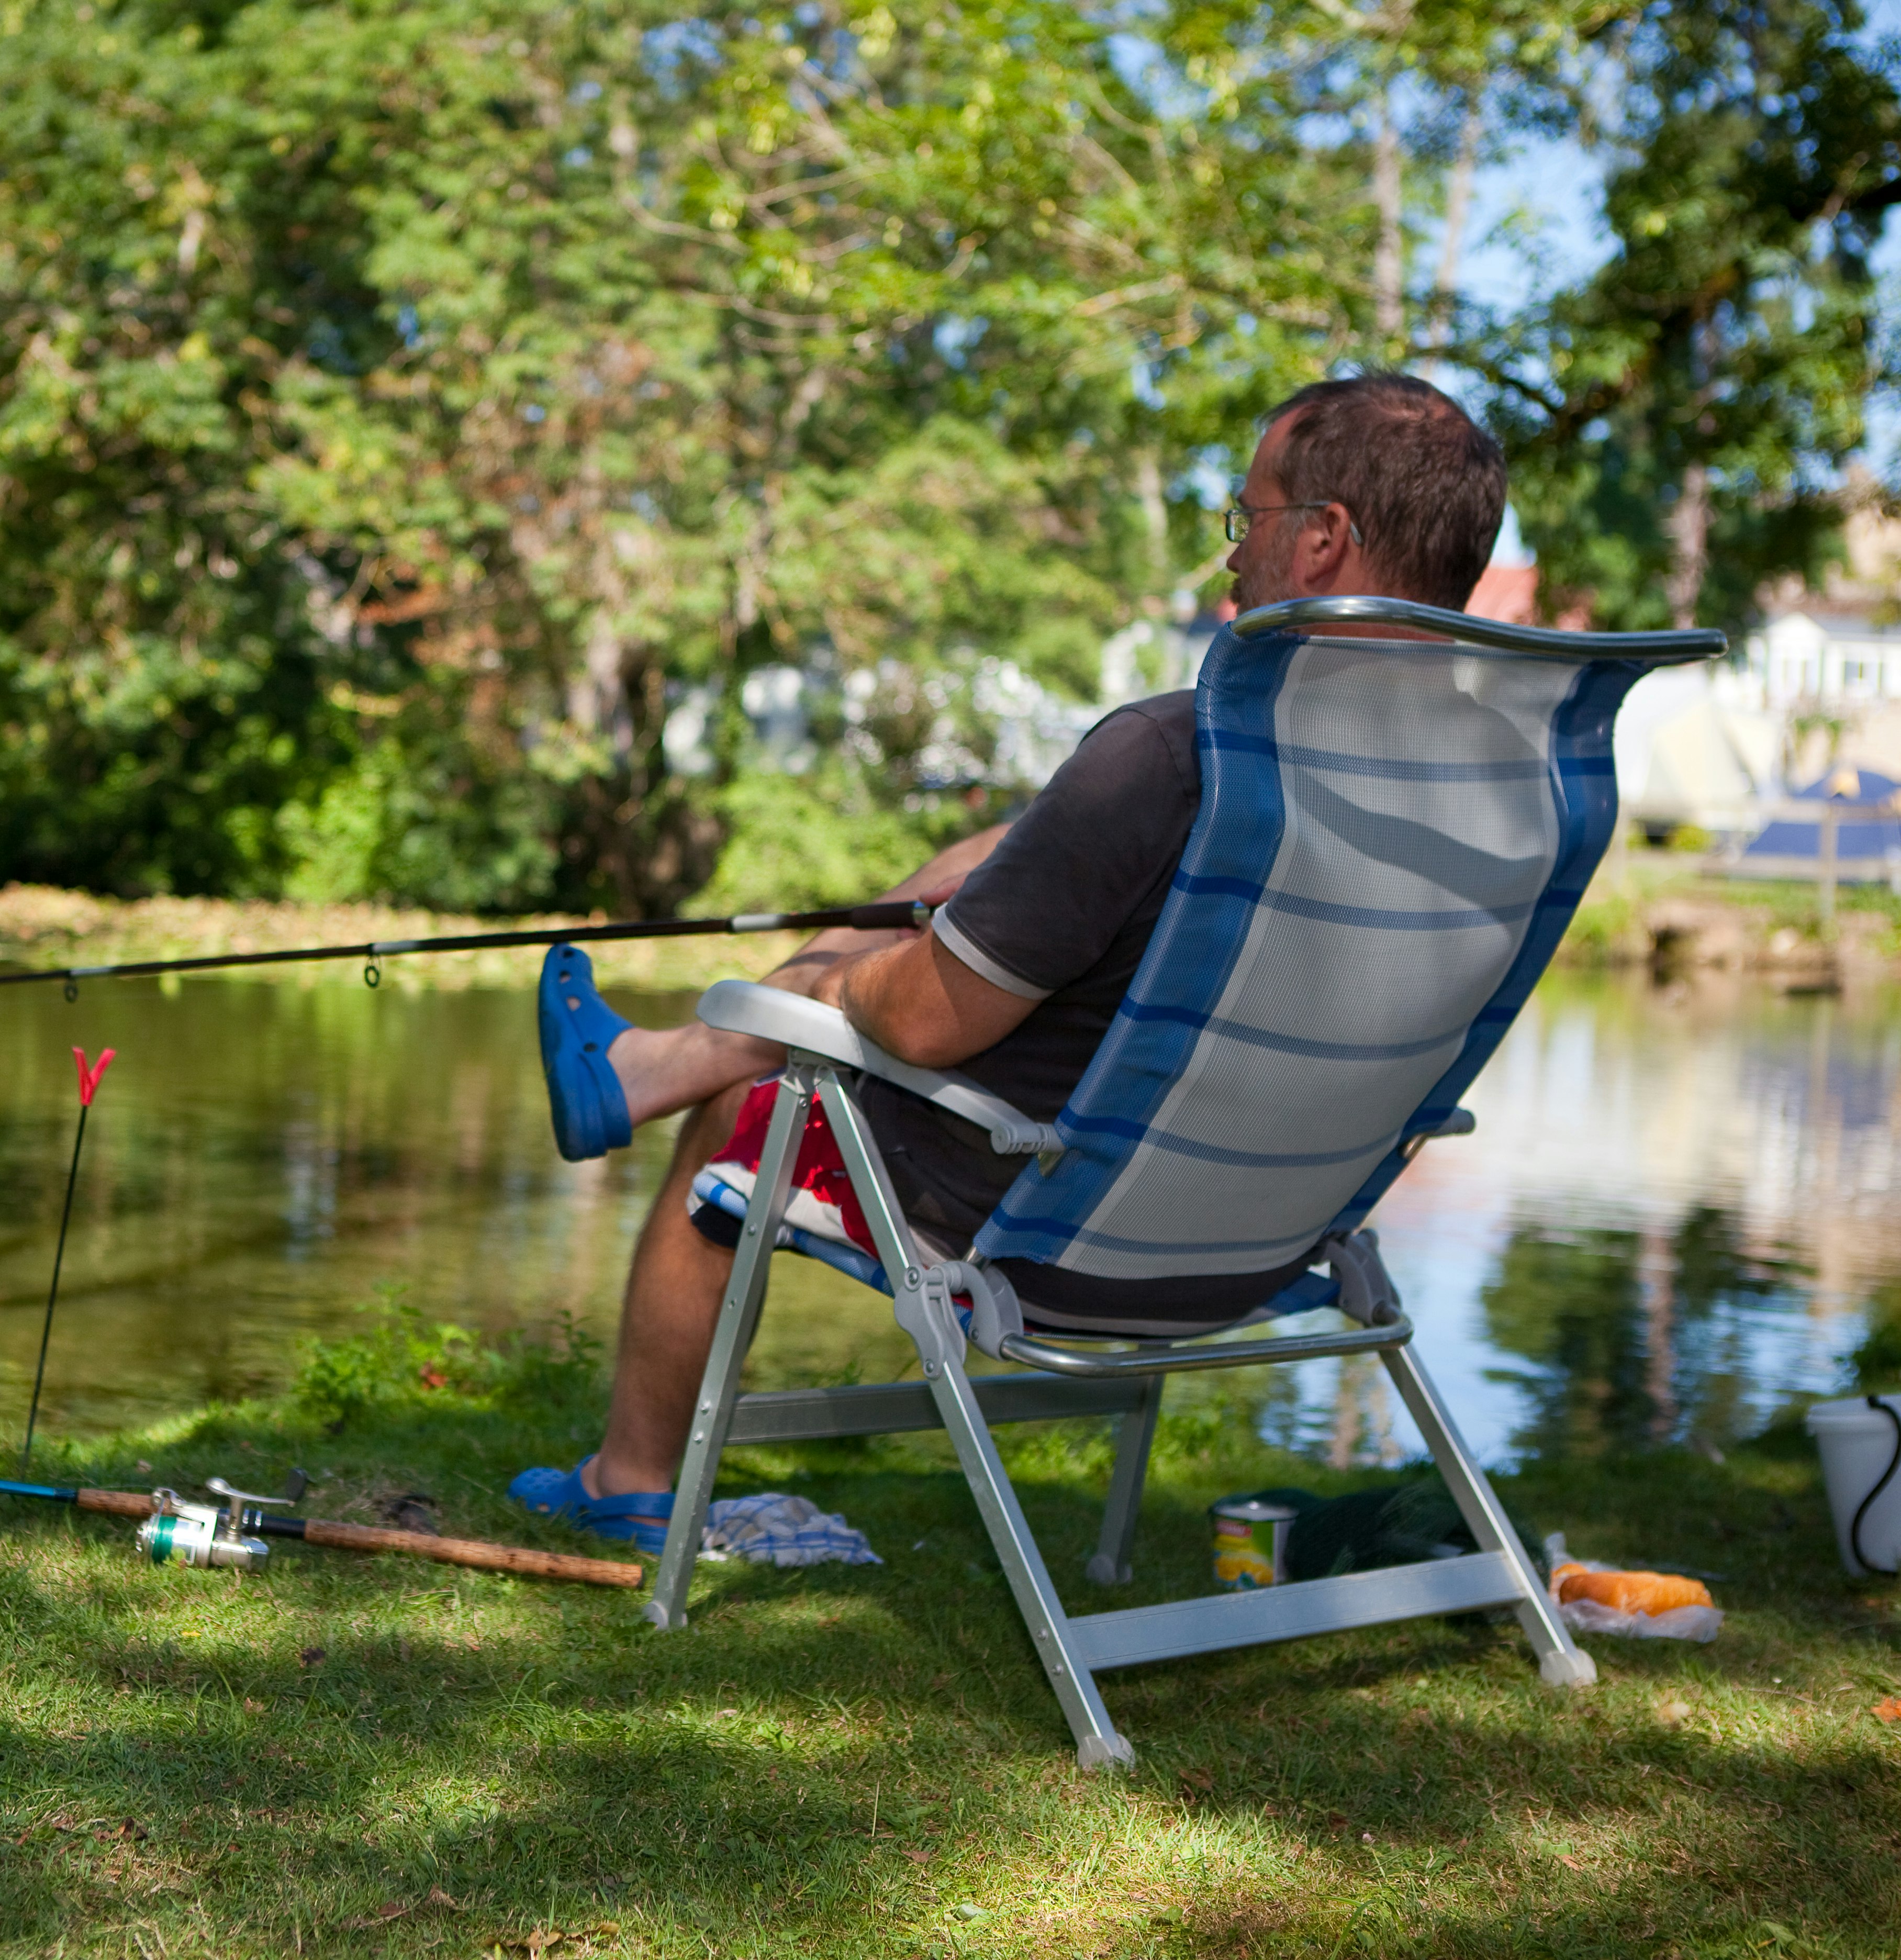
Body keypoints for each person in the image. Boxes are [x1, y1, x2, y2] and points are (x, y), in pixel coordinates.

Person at [512, 371, 1512, 1551]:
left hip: (1049, 1232)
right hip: (1273, 1241)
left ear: (1325, 539)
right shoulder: (1495, 791)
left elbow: (921, 1025)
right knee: (991, 857)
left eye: (1248, 519)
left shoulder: (1172, 756)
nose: (1231, 556)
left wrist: (815, 992)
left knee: (759, 1092)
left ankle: (631, 1471)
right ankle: (666, 1060)